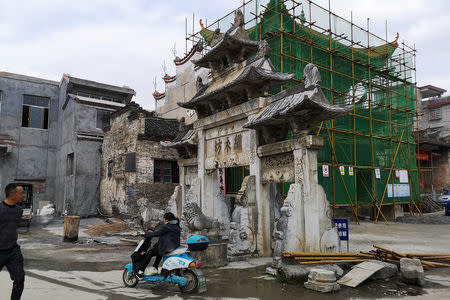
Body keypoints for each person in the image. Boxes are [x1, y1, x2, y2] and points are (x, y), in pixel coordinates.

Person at [137, 212, 180, 279]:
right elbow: (163, 226)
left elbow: (157, 233)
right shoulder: (176, 225)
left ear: (167, 220)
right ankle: (155, 267)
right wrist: (160, 223)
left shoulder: (167, 227)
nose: (164, 220)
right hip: (174, 246)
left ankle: (140, 271)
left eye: (165, 219)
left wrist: (146, 234)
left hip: (167, 247)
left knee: (150, 253)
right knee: (159, 252)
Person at [0, 183, 25, 300]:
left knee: (19, 279)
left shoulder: (19, 210)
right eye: (21, 193)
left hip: (13, 251)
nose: (23, 196)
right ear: (11, 195)